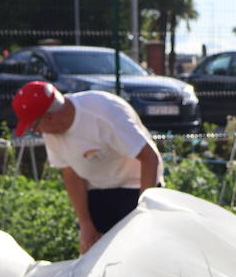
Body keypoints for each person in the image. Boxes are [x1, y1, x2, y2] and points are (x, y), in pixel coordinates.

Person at [11, 81, 163, 254]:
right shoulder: (51, 132)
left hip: (137, 186)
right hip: (97, 190)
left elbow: (150, 158)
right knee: (92, 257)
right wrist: (85, 224)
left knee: (140, 255)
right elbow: (70, 173)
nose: (37, 132)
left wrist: (143, 212)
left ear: (49, 117)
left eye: (34, 126)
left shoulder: (104, 112)